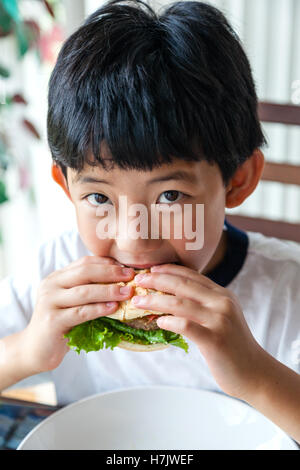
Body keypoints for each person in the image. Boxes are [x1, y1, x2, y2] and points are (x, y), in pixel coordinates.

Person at [0, 0, 299, 443]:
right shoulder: (57, 272)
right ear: (66, 187)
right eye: (99, 197)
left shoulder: (286, 288)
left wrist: (255, 373)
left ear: (237, 180)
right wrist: (27, 350)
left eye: (171, 195)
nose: (134, 240)